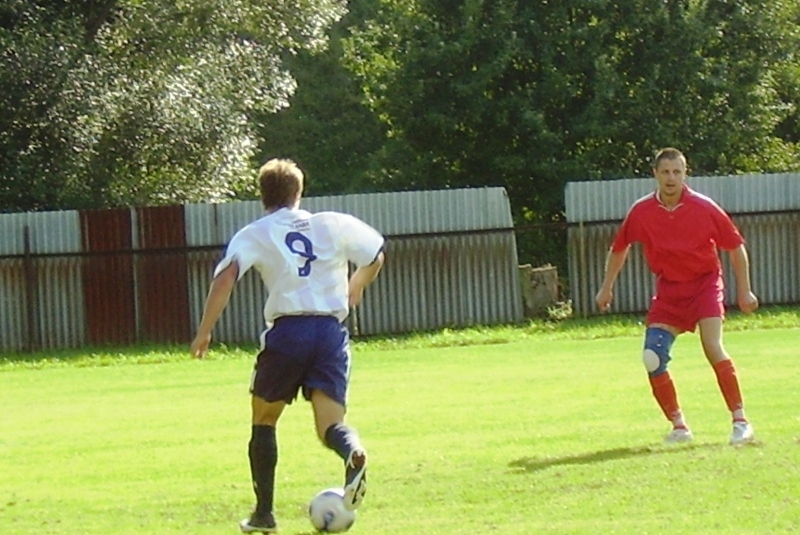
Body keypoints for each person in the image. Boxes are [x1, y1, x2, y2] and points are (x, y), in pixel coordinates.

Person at [190, 158, 385, 534]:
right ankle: (353, 451)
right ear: (299, 192)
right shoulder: (333, 222)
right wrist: (357, 283)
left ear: (262, 195)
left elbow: (226, 278)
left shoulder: (256, 231)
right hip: (330, 333)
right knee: (331, 425)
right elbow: (376, 254)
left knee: (264, 419)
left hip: (288, 333)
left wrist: (204, 331)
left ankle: (264, 515)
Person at [595, 147, 758, 446]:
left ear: (685, 174)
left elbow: (735, 247)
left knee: (712, 346)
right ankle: (679, 427)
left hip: (705, 285)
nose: (671, 178)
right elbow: (619, 248)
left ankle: (741, 422)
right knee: (652, 357)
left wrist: (745, 289)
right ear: (655, 175)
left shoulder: (704, 207)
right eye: (665, 172)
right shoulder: (641, 211)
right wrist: (606, 287)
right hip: (669, 291)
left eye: (677, 172)